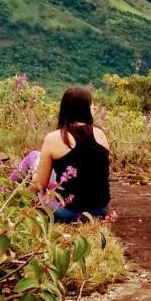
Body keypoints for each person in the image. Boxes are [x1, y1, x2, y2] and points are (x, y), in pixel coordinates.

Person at [33, 86, 111, 222]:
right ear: (86, 109)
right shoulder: (100, 134)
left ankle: (6, 193)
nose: (94, 108)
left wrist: (34, 174)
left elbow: (39, 185)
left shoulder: (54, 137)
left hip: (66, 213)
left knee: (33, 157)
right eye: (92, 105)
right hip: (99, 211)